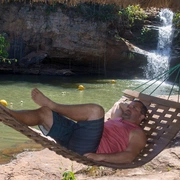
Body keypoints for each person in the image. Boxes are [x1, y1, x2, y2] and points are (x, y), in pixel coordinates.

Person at [0, 88, 148, 164]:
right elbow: (119, 105)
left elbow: (129, 156)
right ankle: (8, 114)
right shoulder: (118, 119)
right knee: (44, 113)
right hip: (75, 136)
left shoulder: (137, 132)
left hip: (89, 148)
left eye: (134, 109)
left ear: (142, 117)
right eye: (130, 106)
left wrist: (100, 157)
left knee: (96, 111)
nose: (129, 108)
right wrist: (129, 106)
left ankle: (53, 105)